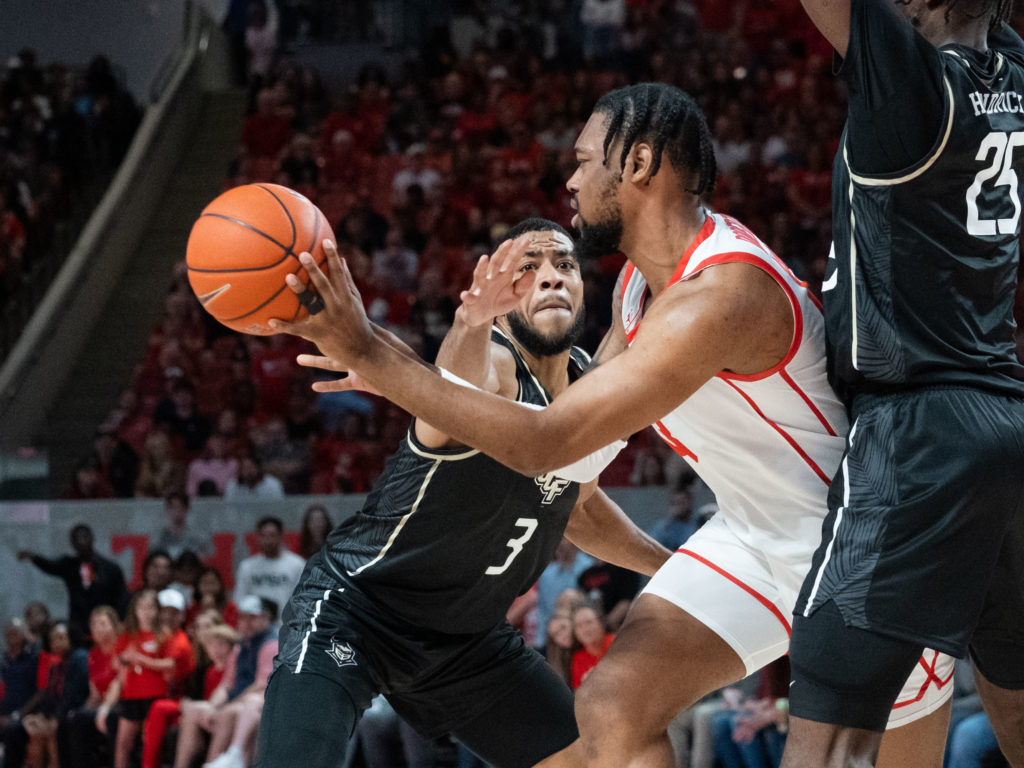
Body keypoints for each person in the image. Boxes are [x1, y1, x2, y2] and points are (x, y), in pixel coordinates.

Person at [270, 83, 957, 767]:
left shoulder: (720, 294)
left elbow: (550, 442)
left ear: (638, 164)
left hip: (859, 543)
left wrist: (371, 351)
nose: (569, 182)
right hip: (753, 537)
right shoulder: (637, 285)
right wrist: (403, 370)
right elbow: (569, 460)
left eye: (582, 161)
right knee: (612, 708)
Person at [255, 218, 670, 768]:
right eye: (529, 268)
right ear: (500, 298)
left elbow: (581, 506)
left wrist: (672, 566)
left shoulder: (587, 386)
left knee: (600, 759)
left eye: (564, 265)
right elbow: (458, 388)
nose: (551, 277)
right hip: (359, 610)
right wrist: (470, 323)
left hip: (467, 641)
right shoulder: (494, 361)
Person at [778, 1, 1024, 766]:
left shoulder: (911, 88)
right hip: (1008, 421)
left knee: (831, 735)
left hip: (916, 433)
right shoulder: (1013, 75)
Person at [171, 596, 277, 768]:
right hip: (236, 701)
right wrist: (212, 706)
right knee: (193, 710)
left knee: (227, 713)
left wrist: (225, 707)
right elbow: (226, 685)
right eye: (243, 617)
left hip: (254, 704)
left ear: (265, 618)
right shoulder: (240, 647)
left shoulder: (271, 644)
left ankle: (214, 762)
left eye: (252, 617)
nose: (246, 623)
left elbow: (261, 685)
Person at [17, 524, 128, 638]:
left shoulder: (110, 568)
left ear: (92, 538)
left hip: (103, 625)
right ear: (72, 543)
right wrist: (34, 558)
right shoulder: (69, 565)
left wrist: (120, 620)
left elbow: (121, 597)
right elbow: (50, 565)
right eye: (77, 538)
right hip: (78, 626)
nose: (81, 541)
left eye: (84, 536)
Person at [97, 590, 167, 768]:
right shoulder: (127, 636)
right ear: (135, 610)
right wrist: (125, 658)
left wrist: (143, 660)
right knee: (123, 743)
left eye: (150, 607)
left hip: (155, 694)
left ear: (157, 610)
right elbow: (115, 663)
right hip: (132, 694)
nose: (146, 612)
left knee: (149, 742)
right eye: (141, 607)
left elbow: (170, 665)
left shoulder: (163, 635)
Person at [232, 516, 305, 615]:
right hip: (256, 621)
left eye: (272, 535)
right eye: (264, 536)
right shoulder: (247, 567)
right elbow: (239, 599)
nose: (268, 540)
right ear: (258, 537)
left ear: (281, 536)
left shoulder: (297, 565)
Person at [152, 492, 211, 560]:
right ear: (167, 509)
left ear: (187, 509)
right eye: (173, 507)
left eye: (180, 507)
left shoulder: (197, 534)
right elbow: (152, 554)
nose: (177, 511)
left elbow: (208, 553)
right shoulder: (159, 534)